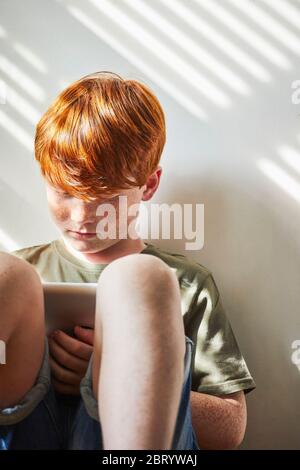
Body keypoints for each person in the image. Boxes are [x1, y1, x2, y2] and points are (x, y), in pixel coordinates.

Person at [0, 71, 255, 450]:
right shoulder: (25, 271)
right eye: (64, 192)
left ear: (148, 186)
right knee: (9, 276)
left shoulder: (187, 284)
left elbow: (230, 429)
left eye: (103, 196)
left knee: (141, 280)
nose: (82, 215)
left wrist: (116, 374)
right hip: (29, 430)